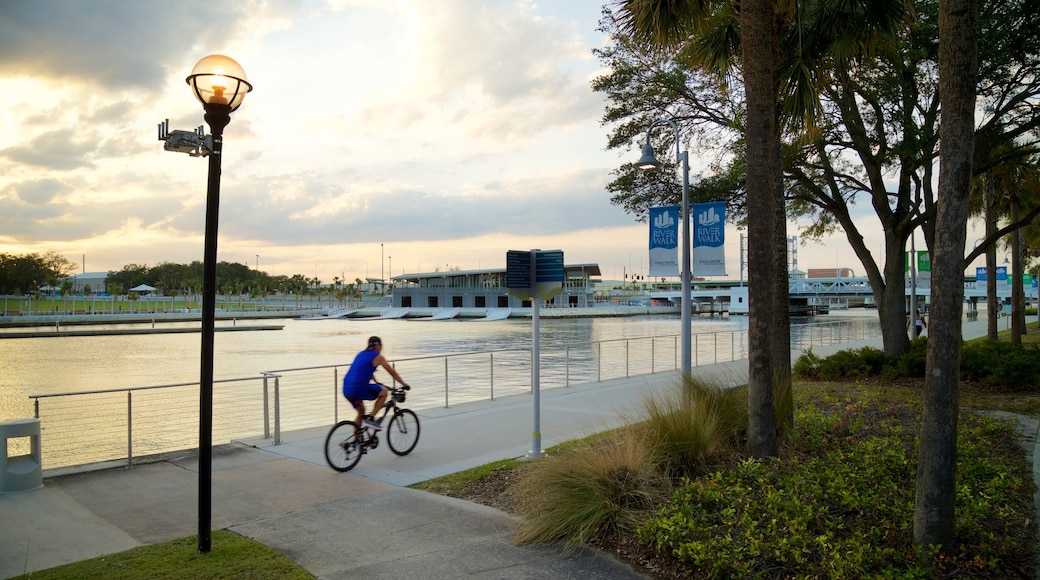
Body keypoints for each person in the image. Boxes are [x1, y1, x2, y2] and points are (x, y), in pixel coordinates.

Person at [341, 336, 409, 431]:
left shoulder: (361, 354)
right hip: (358, 388)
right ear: (378, 346)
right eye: (381, 346)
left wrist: (377, 382)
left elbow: (364, 370)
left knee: (361, 413)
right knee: (384, 392)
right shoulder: (378, 357)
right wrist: (404, 384)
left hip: (346, 389)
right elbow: (391, 372)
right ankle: (371, 419)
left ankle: (355, 443)